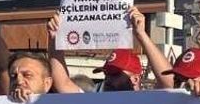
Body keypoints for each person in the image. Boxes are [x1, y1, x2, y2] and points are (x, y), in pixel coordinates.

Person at [45, 7, 174, 93]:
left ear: (135, 79)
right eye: (107, 75)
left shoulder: (149, 101)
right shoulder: (98, 102)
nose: (109, 80)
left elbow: (169, 82)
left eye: (115, 75)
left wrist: (141, 34)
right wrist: (55, 38)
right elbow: (62, 84)